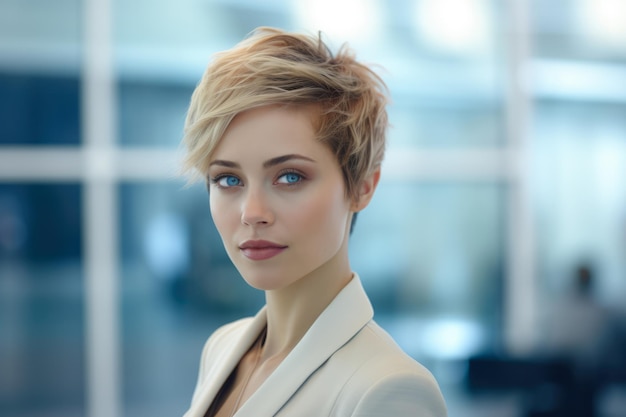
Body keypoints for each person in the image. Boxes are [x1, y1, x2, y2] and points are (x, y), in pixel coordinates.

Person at [180, 27, 447, 417]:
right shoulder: (222, 349)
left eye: (289, 176)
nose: (252, 212)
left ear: (361, 187)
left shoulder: (388, 389)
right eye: (228, 179)